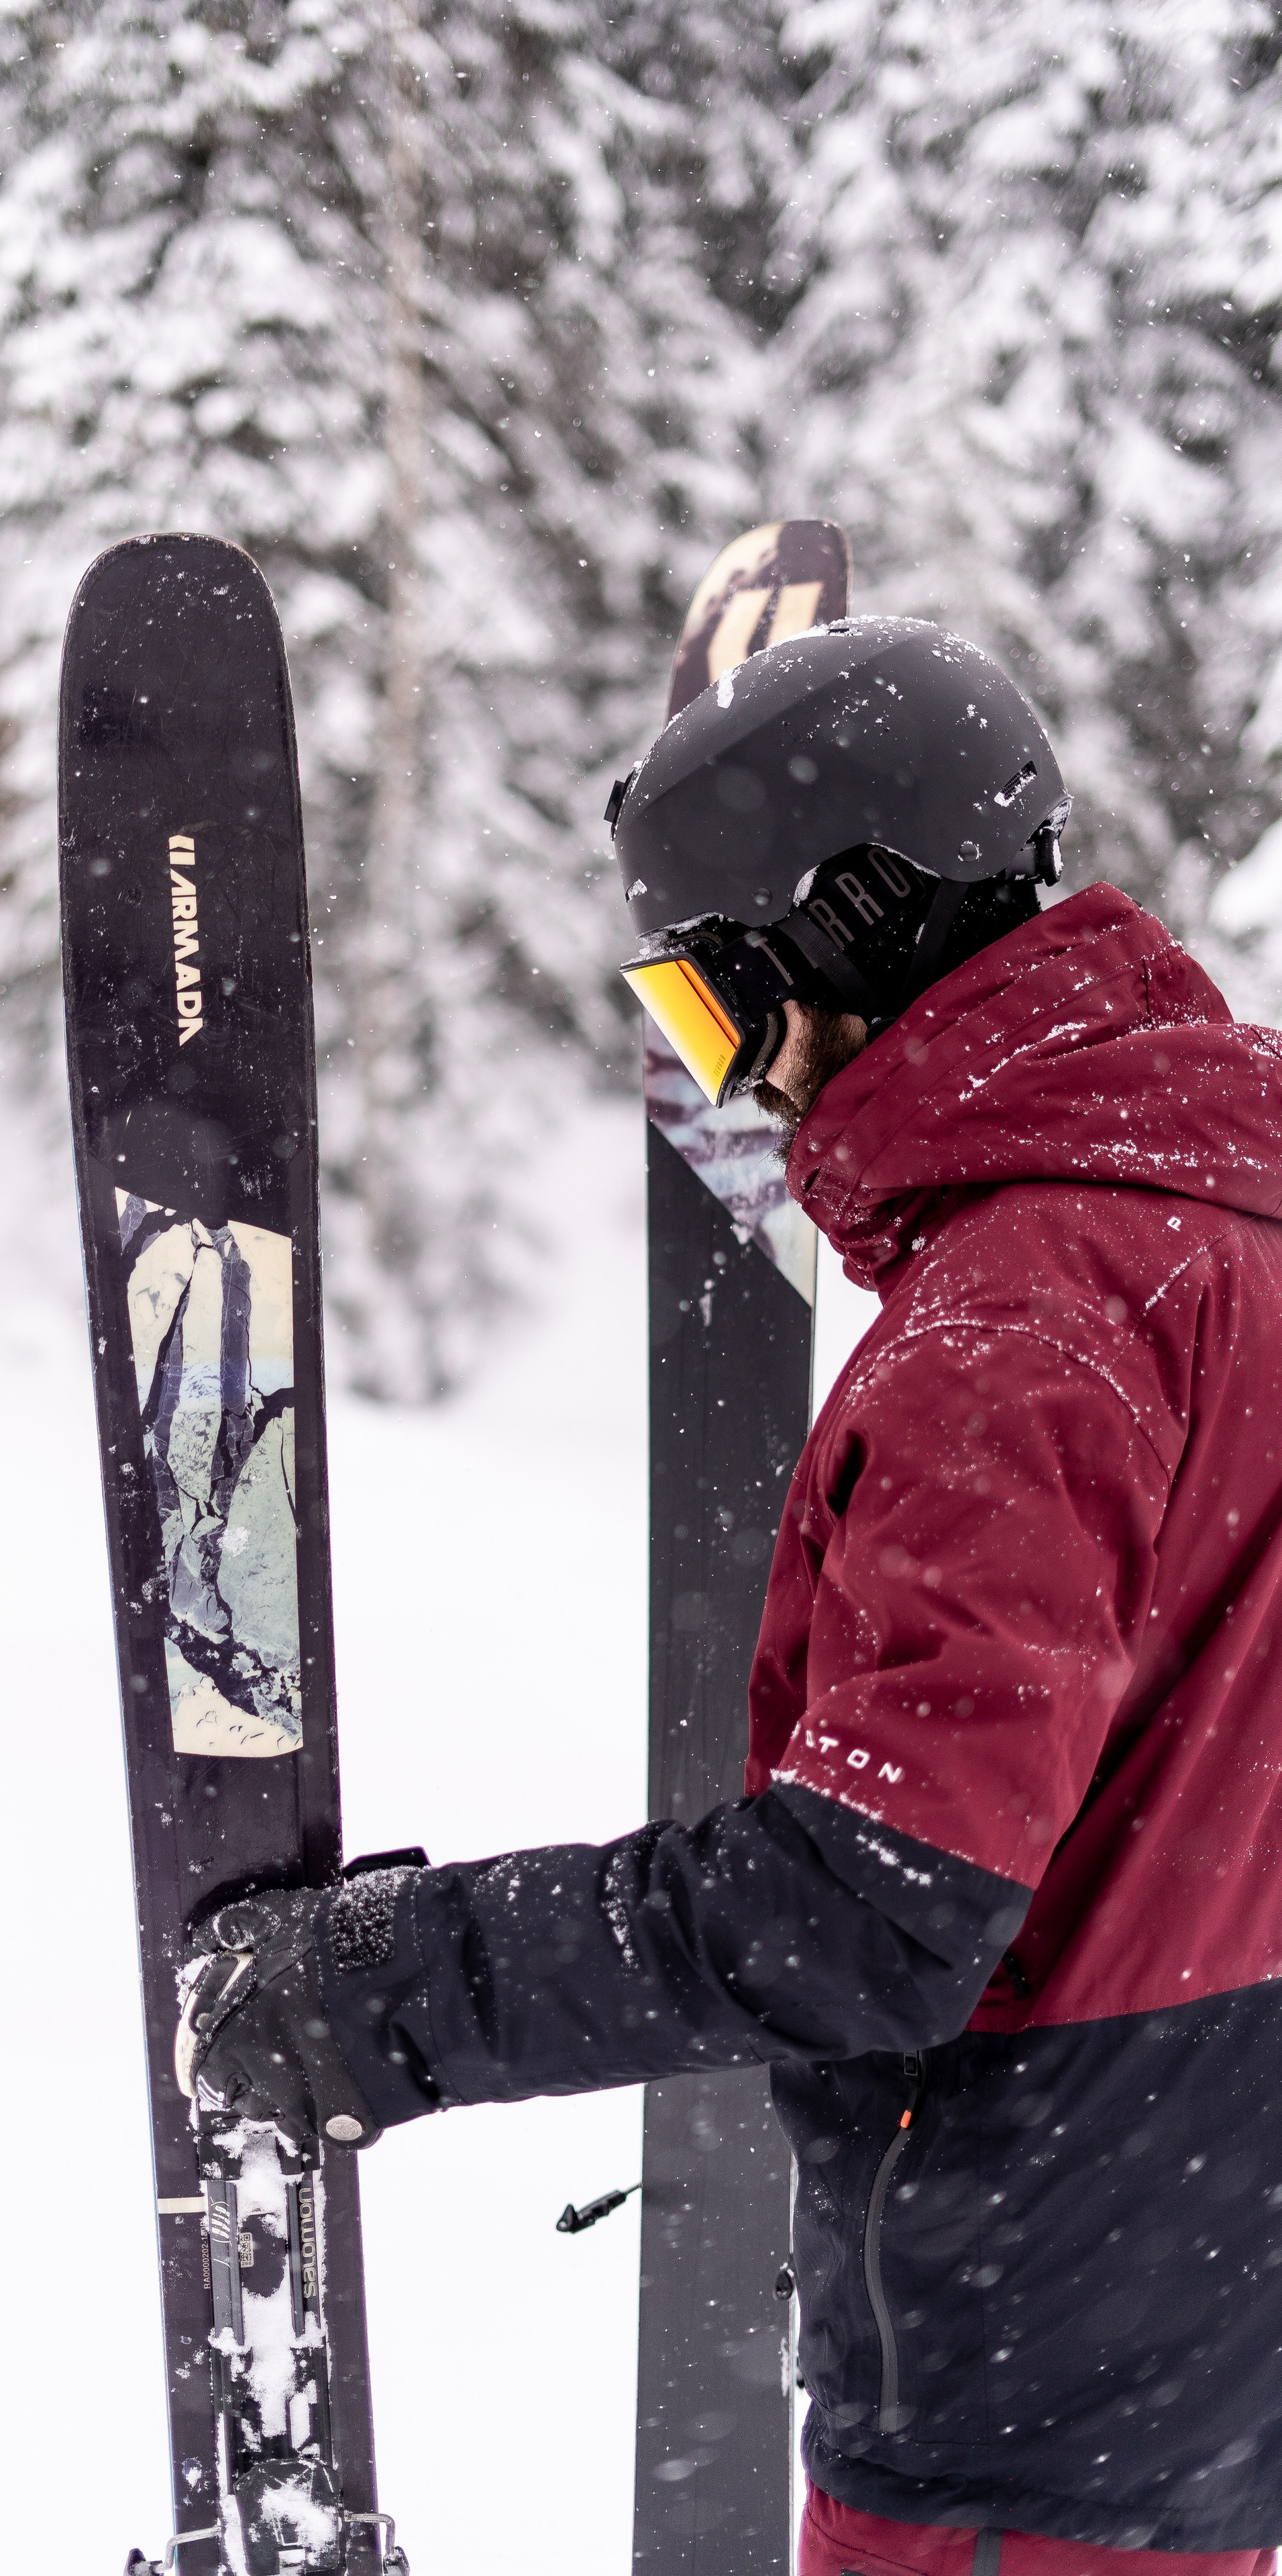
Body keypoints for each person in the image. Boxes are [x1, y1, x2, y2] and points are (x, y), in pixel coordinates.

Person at [176, 617, 1282, 2574]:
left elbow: (874, 1908)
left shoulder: (1020, 1328)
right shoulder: (1229, 1207)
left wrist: (388, 1995)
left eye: (711, 1013)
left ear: (838, 942)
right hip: (1215, 2309)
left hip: (1037, 2393)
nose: (740, 1090)